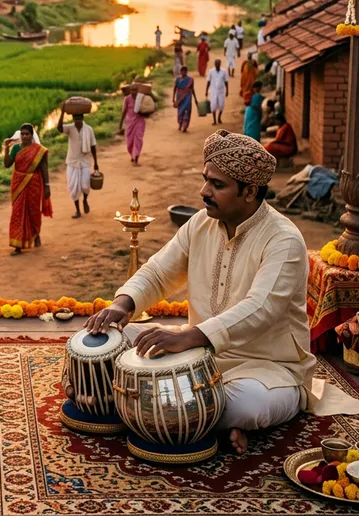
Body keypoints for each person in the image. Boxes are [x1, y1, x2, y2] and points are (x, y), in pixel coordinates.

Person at [84, 131, 315, 455]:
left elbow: (260, 308)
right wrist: (124, 305)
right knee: (108, 341)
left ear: (249, 192)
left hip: (265, 367)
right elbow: (159, 271)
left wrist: (190, 337)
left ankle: (150, 409)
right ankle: (197, 418)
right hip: (198, 355)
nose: (204, 191)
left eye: (217, 185)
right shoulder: (200, 224)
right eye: (206, 179)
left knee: (247, 407)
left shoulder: (284, 241)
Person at [4, 123, 52, 254]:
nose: (25, 136)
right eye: (23, 134)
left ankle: (36, 234)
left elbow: (43, 168)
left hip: (34, 183)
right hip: (18, 183)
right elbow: (7, 165)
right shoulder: (15, 149)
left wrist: (47, 186)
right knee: (18, 213)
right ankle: (17, 245)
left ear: (32, 135)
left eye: (27, 134)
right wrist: (6, 149)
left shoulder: (38, 150)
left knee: (33, 211)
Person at [57, 106, 98, 219]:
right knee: (73, 188)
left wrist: (95, 162)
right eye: (76, 118)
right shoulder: (70, 128)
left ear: (83, 118)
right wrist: (62, 113)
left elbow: (93, 145)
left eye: (79, 118)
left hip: (84, 162)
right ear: (73, 119)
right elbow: (59, 128)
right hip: (72, 162)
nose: (78, 120)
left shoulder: (89, 129)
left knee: (85, 186)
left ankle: (85, 200)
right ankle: (77, 210)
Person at [118, 84, 145, 165]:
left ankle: (136, 157)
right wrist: (120, 124)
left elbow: (146, 107)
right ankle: (132, 155)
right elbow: (124, 111)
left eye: (135, 90)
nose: (133, 92)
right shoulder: (127, 99)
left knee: (138, 139)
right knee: (130, 141)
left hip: (140, 121)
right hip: (130, 122)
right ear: (130, 91)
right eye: (132, 90)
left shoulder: (141, 98)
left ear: (138, 91)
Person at [173, 66, 199, 132]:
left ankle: (185, 126)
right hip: (179, 98)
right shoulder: (177, 79)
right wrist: (173, 98)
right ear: (180, 72)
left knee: (187, 111)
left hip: (187, 97)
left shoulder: (190, 80)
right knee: (180, 112)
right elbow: (175, 88)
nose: (184, 72)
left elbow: (192, 89)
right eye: (182, 71)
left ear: (186, 72)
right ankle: (180, 124)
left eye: (185, 71)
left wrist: (195, 99)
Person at [206, 58, 229, 125]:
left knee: (221, 105)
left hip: (221, 91)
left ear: (220, 64)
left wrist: (227, 90)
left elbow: (226, 82)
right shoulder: (211, 71)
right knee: (213, 105)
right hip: (213, 91)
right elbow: (208, 81)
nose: (217, 65)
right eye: (216, 64)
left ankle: (219, 117)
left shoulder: (224, 72)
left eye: (218, 64)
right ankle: (214, 120)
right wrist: (206, 90)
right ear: (214, 64)